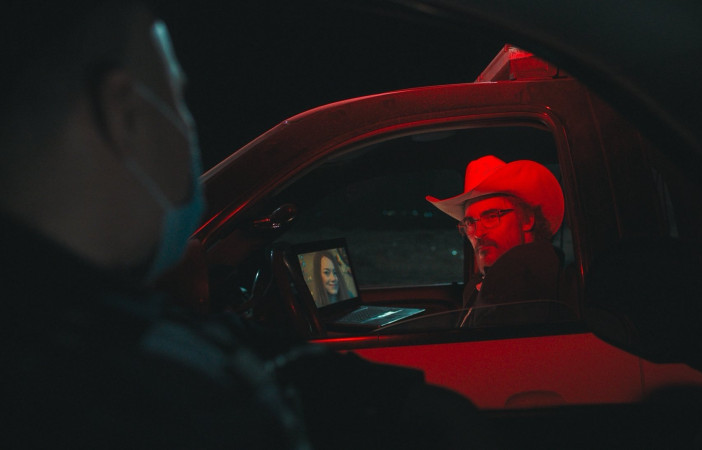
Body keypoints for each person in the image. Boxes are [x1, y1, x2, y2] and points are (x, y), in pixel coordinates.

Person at [1, 2, 492, 448]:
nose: (189, 129)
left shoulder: (95, 320)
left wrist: (395, 400)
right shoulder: (121, 398)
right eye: (178, 97)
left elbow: (270, 360)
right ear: (124, 115)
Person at [426, 155, 575, 324]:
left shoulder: (521, 281)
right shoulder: (484, 285)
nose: (477, 233)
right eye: (469, 223)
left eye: (491, 216)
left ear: (527, 220)